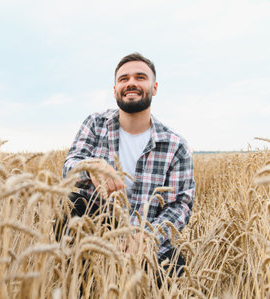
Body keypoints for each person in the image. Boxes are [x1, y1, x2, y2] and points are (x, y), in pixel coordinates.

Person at [61, 52, 196, 277]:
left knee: (176, 270)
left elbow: (180, 206)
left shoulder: (175, 145)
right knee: (71, 203)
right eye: (124, 79)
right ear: (115, 90)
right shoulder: (96, 124)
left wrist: (147, 238)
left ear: (154, 88)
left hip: (147, 240)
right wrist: (91, 167)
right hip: (96, 232)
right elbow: (69, 168)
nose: (131, 82)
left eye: (140, 77)